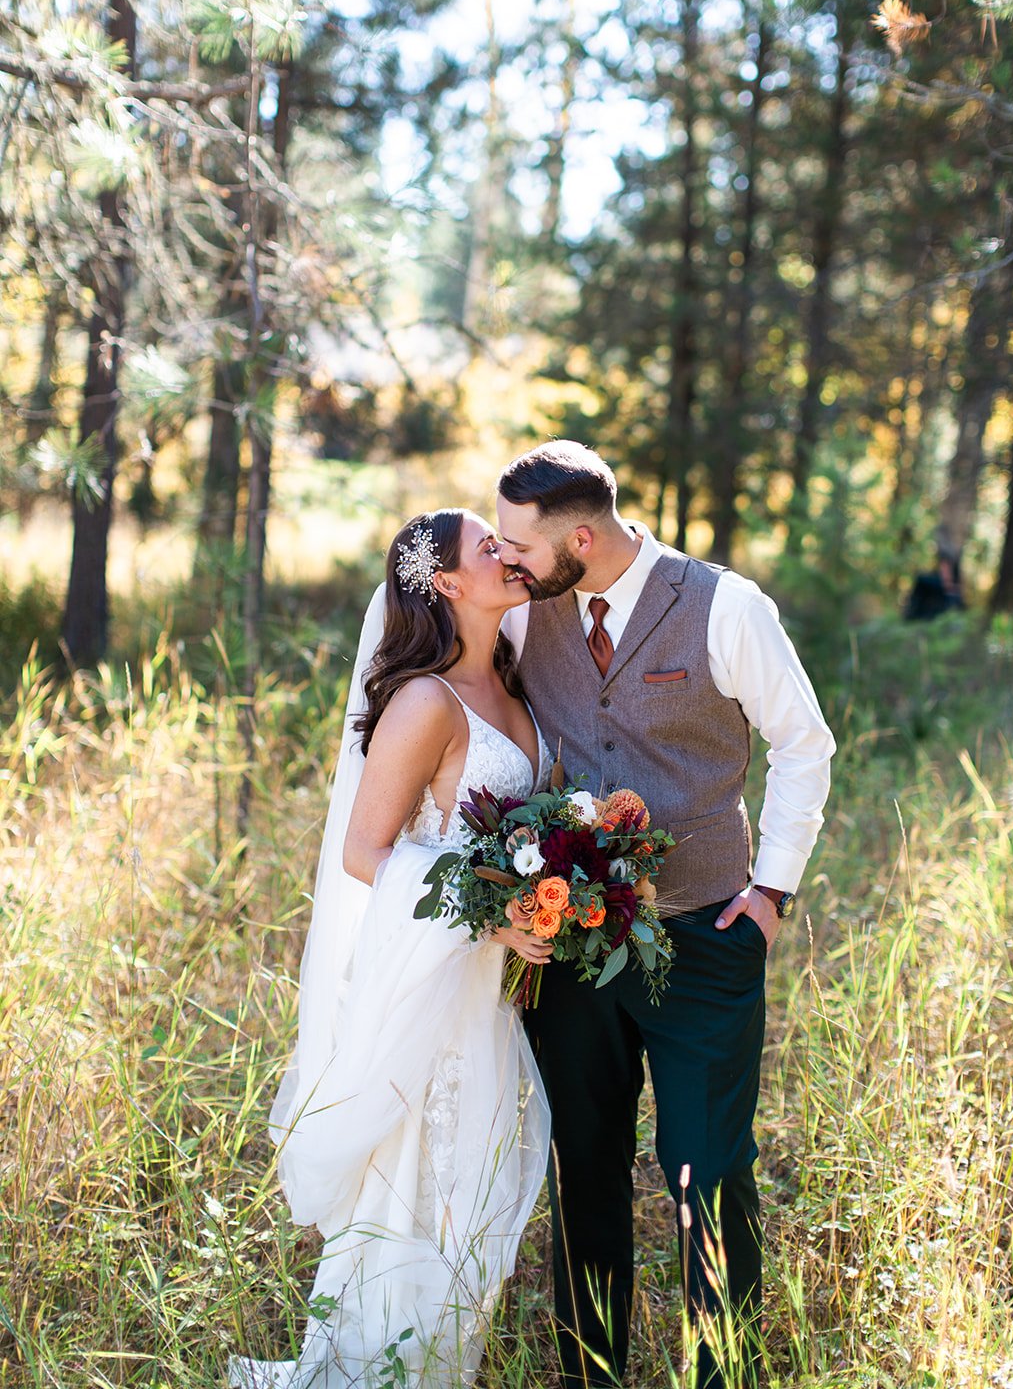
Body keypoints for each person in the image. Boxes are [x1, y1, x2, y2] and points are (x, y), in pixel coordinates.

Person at [495, 442, 836, 1389]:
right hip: (569, 949)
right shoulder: (527, 613)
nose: (503, 558)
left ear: (581, 536)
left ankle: (722, 1376)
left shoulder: (724, 606)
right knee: (585, 1166)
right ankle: (590, 1375)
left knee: (705, 1173)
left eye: (519, 542)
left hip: (703, 938)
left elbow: (803, 744)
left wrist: (769, 891)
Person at [230, 509, 552, 1389]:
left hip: (489, 989)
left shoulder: (517, 694)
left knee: (471, 1195)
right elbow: (364, 851)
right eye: (487, 545)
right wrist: (487, 915)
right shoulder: (425, 700)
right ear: (446, 583)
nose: (506, 553)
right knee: (417, 1180)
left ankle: (439, 1367)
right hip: (429, 979)